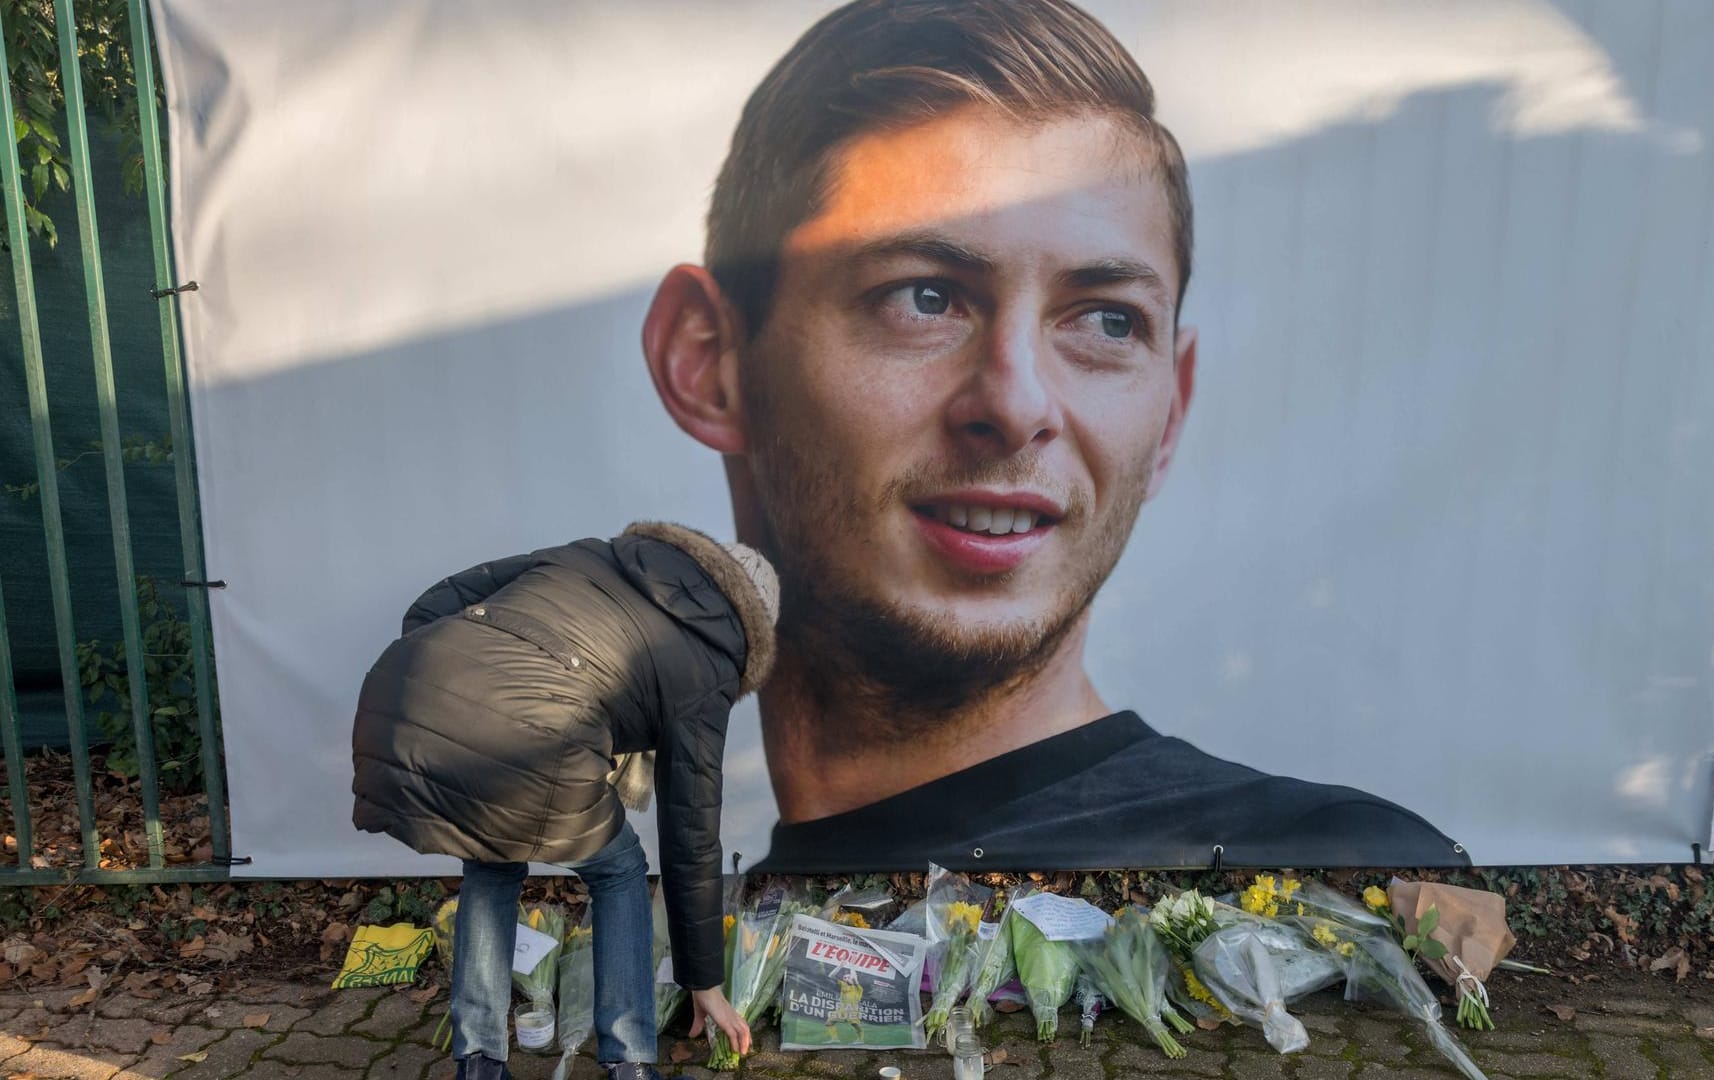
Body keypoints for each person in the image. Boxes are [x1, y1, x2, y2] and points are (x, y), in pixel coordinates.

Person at [642, 0, 1468, 872]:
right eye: (922, 296)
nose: (1017, 404)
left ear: (1171, 411)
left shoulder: (1346, 884)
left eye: (1108, 322)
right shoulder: (672, 946)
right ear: (709, 361)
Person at [349, 523, 777, 1079]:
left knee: (492, 856)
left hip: (405, 694)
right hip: (537, 728)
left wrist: (462, 686)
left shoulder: (591, 558)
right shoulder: (710, 662)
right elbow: (690, 833)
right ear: (751, 622)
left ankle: (478, 1061)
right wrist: (704, 982)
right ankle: (629, 1061)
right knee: (620, 869)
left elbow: (437, 602)